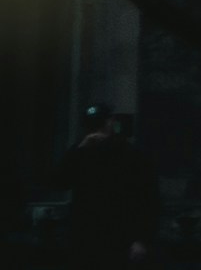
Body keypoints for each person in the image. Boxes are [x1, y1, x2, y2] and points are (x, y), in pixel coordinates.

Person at [61, 107, 161, 260]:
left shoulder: (132, 155)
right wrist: (79, 149)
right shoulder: (82, 154)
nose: (98, 130)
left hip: (121, 236)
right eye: (94, 126)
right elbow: (57, 181)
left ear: (112, 123)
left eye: (103, 123)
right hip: (84, 236)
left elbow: (149, 198)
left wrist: (142, 239)